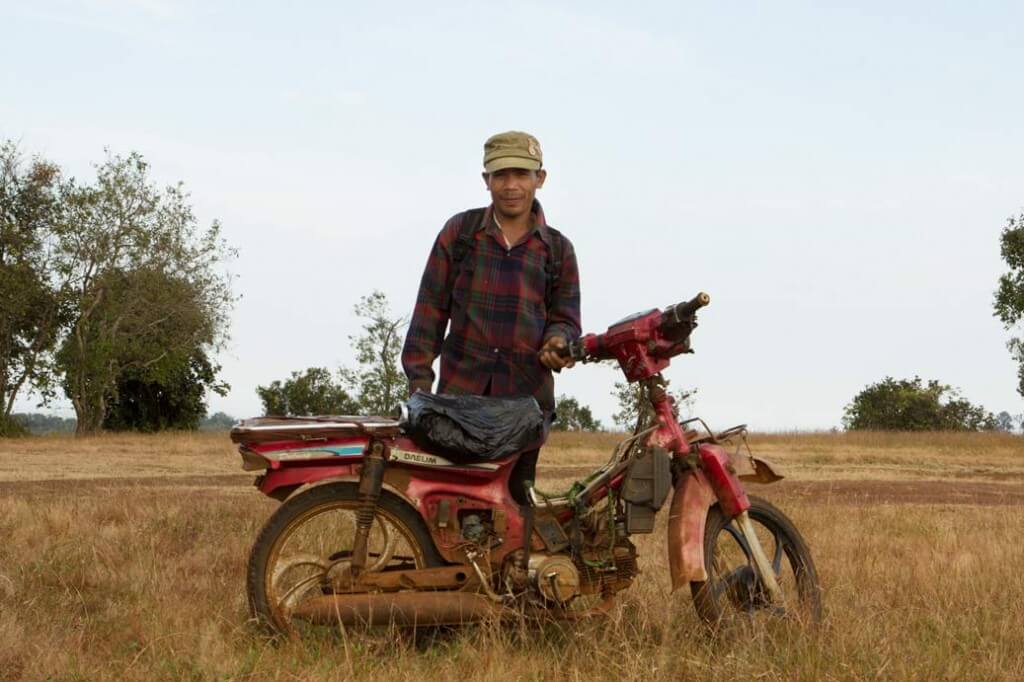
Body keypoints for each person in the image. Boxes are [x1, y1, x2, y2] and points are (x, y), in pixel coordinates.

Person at [401, 130, 581, 503]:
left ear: (540, 179)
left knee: (515, 514)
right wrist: (419, 387)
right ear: (486, 180)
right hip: (459, 405)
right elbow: (429, 312)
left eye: (521, 174)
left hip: (525, 407)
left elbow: (566, 318)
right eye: (501, 176)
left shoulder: (558, 250)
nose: (511, 186)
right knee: (451, 513)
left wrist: (557, 342)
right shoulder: (461, 233)